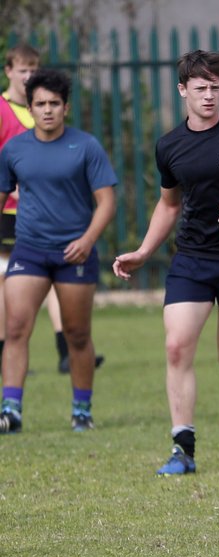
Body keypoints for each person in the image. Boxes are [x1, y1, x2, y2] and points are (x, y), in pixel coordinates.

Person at [112, 50, 219, 475]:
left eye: (215, 88)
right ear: (182, 91)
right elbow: (169, 205)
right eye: (200, 88)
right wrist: (143, 251)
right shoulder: (169, 145)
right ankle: (182, 449)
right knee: (176, 347)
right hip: (191, 259)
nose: (209, 96)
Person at [0, 69, 117, 433]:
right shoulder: (14, 149)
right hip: (30, 250)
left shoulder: (85, 146)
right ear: (30, 107)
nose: (47, 110)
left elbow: (106, 202)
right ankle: (11, 410)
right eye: (40, 104)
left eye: (54, 104)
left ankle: (81, 410)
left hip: (74, 254)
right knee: (16, 328)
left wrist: (86, 241)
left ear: (65, 107)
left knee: (76, 334)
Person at [1, 44, 99, 376]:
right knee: (10, 289)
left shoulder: (53, 117)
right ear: (9, 72)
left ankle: (65, 349)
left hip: (53, 224)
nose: (29, 75)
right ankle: (9, 355)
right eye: (23, 69)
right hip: (13, 215)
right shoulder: (5, 111)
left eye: (33, 68)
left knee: (59, 280)